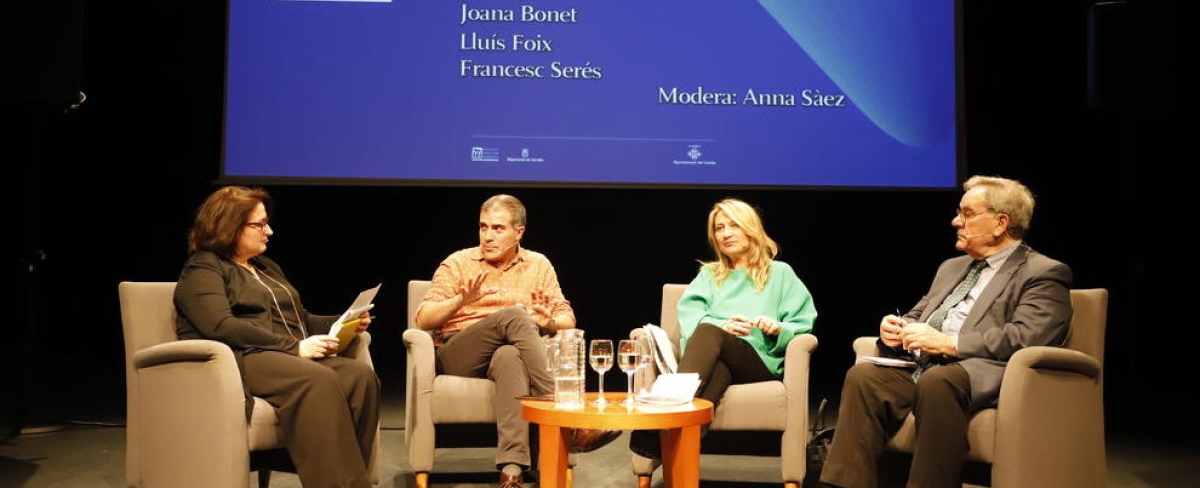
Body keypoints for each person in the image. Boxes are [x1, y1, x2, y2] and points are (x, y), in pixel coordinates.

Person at [819, 175, 1073, 488]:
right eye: (959, 212)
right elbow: (920, 314)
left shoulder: (1042, 272)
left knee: (940, 381)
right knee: (864, 378)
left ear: (1000, 223)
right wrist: (898, 328)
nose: (956, 221)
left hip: (986, 373)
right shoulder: (952, 267)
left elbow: (1029, 336)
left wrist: (948, 343)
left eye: (967, 214)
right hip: (928, 369)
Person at [174, 186, 380, 488]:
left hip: (282, 355)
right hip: (242, 358)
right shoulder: (204, 267)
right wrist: (294, 347)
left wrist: (343, 321)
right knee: (316, 379)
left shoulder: (265, 268)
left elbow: (301, 318)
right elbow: (221, 325)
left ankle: (350, 478)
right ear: (229, 225)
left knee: (360, 377)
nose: (268, 231)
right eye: (259, 224)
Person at [415, 194, 618, 488]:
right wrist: (460, 300)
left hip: (507, 356)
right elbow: (423, 318)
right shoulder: (459, 263)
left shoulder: (538, 265)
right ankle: (569, 418)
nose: (487, 236)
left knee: (510, 355)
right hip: (458, 352)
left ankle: (512, 470)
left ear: (518, 232)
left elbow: (566, 318)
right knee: (514, 315)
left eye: (497, 229)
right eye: (483, 227)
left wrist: (547, 322)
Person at [630, 198, 818, 460]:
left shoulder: (781, 273)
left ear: (750, 229)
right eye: (719, 228)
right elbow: (690, 314)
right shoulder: (709, 275)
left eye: (733, 226)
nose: (725, 234)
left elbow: (803, 322)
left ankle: (661, 414)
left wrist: (777, 328)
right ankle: (678, 451)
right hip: (715, 360)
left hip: (758, 361)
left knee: (709, 330)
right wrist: (725, 325)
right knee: (718, 368)